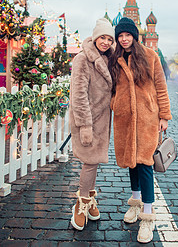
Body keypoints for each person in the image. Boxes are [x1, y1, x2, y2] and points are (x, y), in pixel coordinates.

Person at [110, 17, 172, 243]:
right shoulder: (115, 59)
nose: (124, 39)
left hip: (147, 118)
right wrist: (115, 103)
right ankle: (134, 204)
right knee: (131, 162)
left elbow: (161, 87)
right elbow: (112, 88)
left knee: (145, 164)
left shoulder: (149, 56)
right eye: (120, 36)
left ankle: (147, 216)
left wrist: (164, 115)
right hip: (125, 118)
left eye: (127, 35)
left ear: (134, 36)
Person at [69, 18, 115, 231]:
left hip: (102, 120)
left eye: (109, 38)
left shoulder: (107, 59)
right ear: (95, 37)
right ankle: (81, 203)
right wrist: (85, 126)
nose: (105, 42)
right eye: (102, 37)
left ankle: (89, 199)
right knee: (89, 163)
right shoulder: (82, 59)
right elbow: (78, 95)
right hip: (87, 121)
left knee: (94, 162)